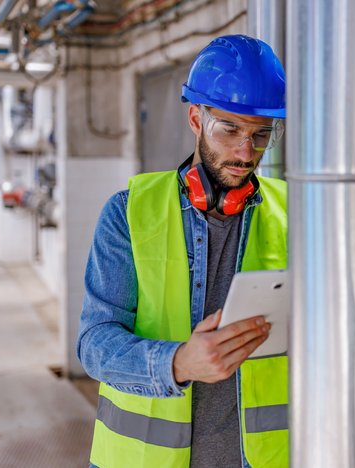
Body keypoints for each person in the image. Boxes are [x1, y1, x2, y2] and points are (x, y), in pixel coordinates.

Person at [77, 35, 289, 468]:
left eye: (261, 135)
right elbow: (95, 345)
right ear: (196, 119)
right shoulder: (129, 213)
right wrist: (177, 363)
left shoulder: (294, 214)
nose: (245, 151)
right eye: (229, 129)